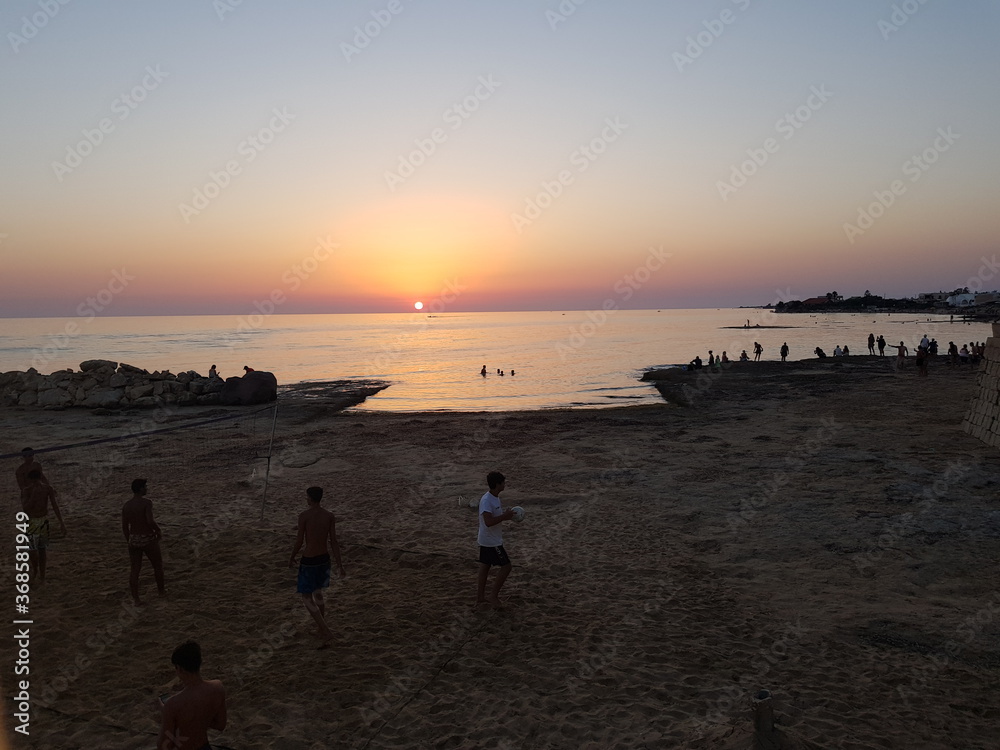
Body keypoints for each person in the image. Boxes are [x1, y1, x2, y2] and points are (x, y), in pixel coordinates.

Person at [289, 486, 345, 648]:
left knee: (306, 597)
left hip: (310, 560)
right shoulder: (329, 516)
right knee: (318, 593)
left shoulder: (304, 516)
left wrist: (292, 556)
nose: (306, 499)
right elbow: (333, 541)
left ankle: (325, 630)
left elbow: (300, 541)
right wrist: (339, 564)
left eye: (307, 497)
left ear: (310, 499)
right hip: (324, 559)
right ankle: (321, 628)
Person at [158, 640, 227, 750]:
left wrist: (166, 714)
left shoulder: (172, 705)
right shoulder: (217, 687)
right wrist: (198, 719)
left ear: (180, 668)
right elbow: (220, 725)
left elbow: (164, 746)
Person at [122, 478, 166, 605]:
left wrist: (129, 540)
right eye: (145, 486)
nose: (147, 488)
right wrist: (158, 531)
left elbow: (125, 527)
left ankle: (136, 598)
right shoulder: (146, 503)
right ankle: (161, 592)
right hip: (147, 537)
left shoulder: (127, 505)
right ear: (141, 489)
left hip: (134, 538)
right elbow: (150, 521)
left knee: (135, 569)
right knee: (157, 565)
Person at [21, 468, 65, 583]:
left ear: (40, 479)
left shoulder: (47, 489)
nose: (36, 483)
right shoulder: (27, 491)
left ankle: (42, 575)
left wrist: (61, 522)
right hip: (31, 521)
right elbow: (25, 508)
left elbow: (55, 506)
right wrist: (33, 496)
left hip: (43, 520)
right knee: (32, 550)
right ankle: (35, 569)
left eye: (37, 481)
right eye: (34, 481)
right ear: (30, 481)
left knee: (42, 549)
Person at [477, 471, 514, 609]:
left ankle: (480, 598)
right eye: (503, 482)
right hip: (491, 541)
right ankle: (493, 596)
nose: (505, 484)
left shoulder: (495, 497)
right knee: (506, 566)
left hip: (489, 539)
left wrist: (508, 515)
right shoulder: (487, 500)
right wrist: (505, 516)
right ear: (497, 484)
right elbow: (488, 522)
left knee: (485, 566)